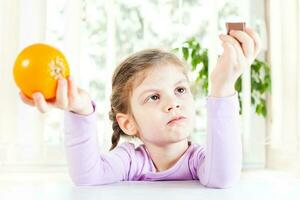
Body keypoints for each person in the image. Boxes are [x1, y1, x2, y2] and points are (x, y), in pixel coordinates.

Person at [20, 27, 261, 188]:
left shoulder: (198, 159)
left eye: (180, 90)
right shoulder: (130, 160)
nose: (173, 103)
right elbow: (87, 177)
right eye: (154, 97)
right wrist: (80, 110)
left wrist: (223, 86)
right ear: (128, 123)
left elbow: (223, 177)